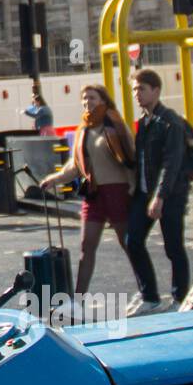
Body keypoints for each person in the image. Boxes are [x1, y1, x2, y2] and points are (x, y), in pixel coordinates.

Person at [39, 85, 135, 312]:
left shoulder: (115, 124)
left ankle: (146, 289)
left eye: (92, 98)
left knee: (128, 243)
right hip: (94, 194)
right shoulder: (83, 129)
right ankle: (78, 300)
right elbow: (75, 165)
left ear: (103, 99)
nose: (87, 102)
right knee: (86, 246)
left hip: (117, 191)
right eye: (84, 99)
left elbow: (130, 157)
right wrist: (55, 179)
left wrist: (134, 189)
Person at [125, 70, 192, 316]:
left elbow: (171, 163)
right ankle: (150, 297)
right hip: (145, 192)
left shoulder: (169, 122)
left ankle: (180, 298)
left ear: (156, 90)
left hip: (170, 194)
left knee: (173, 246)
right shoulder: (143, 123)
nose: (137, 94)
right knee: (132, 240)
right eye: (134, 89)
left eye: (141, 88)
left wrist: (160, 196)